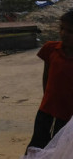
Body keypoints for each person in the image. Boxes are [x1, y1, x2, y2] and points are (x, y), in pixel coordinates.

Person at [26, 10, 73, 151]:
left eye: (70, 31)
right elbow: (46, 77)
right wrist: (47, 99)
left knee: (60, 149)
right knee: (38, 145)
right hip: (47, 111)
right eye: (62, 29)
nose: (64, 33)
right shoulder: (51, 49)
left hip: (68, 116)